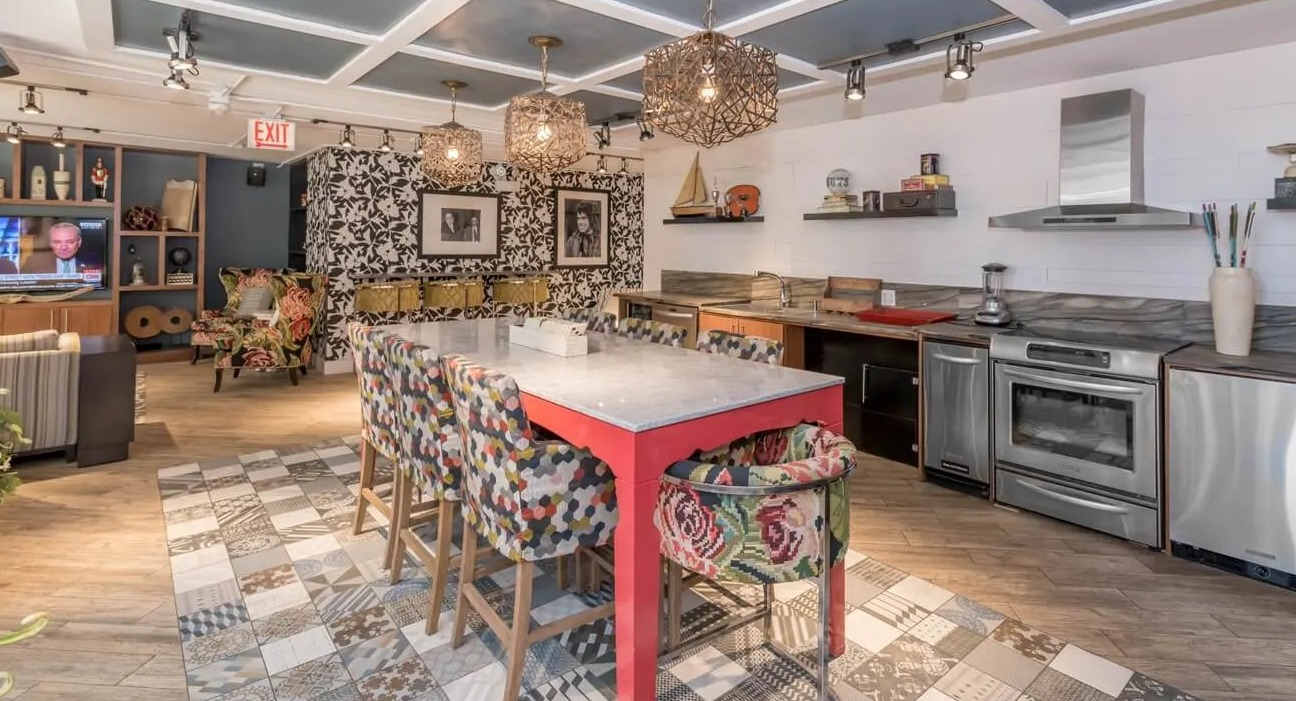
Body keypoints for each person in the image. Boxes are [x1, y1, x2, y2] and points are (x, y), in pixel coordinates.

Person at [23, 222, 101, 275]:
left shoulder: (94, 263)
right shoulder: (33, 263)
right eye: (57, 242)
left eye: (70, 242)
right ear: (50, 243)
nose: (63, 247)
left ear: (79, 242)